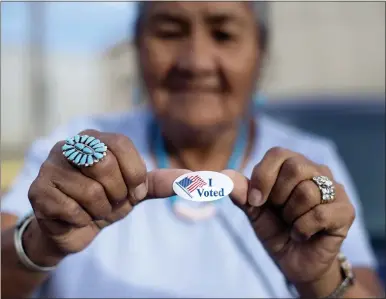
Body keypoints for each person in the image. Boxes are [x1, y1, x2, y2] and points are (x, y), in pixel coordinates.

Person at [1, 2, 384, 298]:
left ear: (260, 52)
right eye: (169, 32)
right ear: (138, 45)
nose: (196, 62)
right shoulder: (80, 149)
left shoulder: (309, 163)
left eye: (223, 34)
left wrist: (319, 277)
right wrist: (43, 240)